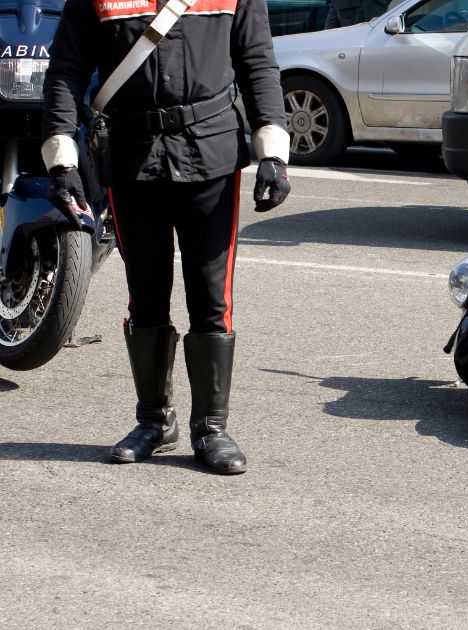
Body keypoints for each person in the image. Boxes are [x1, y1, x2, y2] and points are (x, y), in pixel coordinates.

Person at [41, 0, 292, 474]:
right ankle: (154, 421)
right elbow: (66, 70)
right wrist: (61, 159)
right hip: (134, 159)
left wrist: (273, 151)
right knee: (146, 293)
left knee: (211, 296)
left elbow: (257, 61)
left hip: (212, 154)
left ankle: (211, 428)